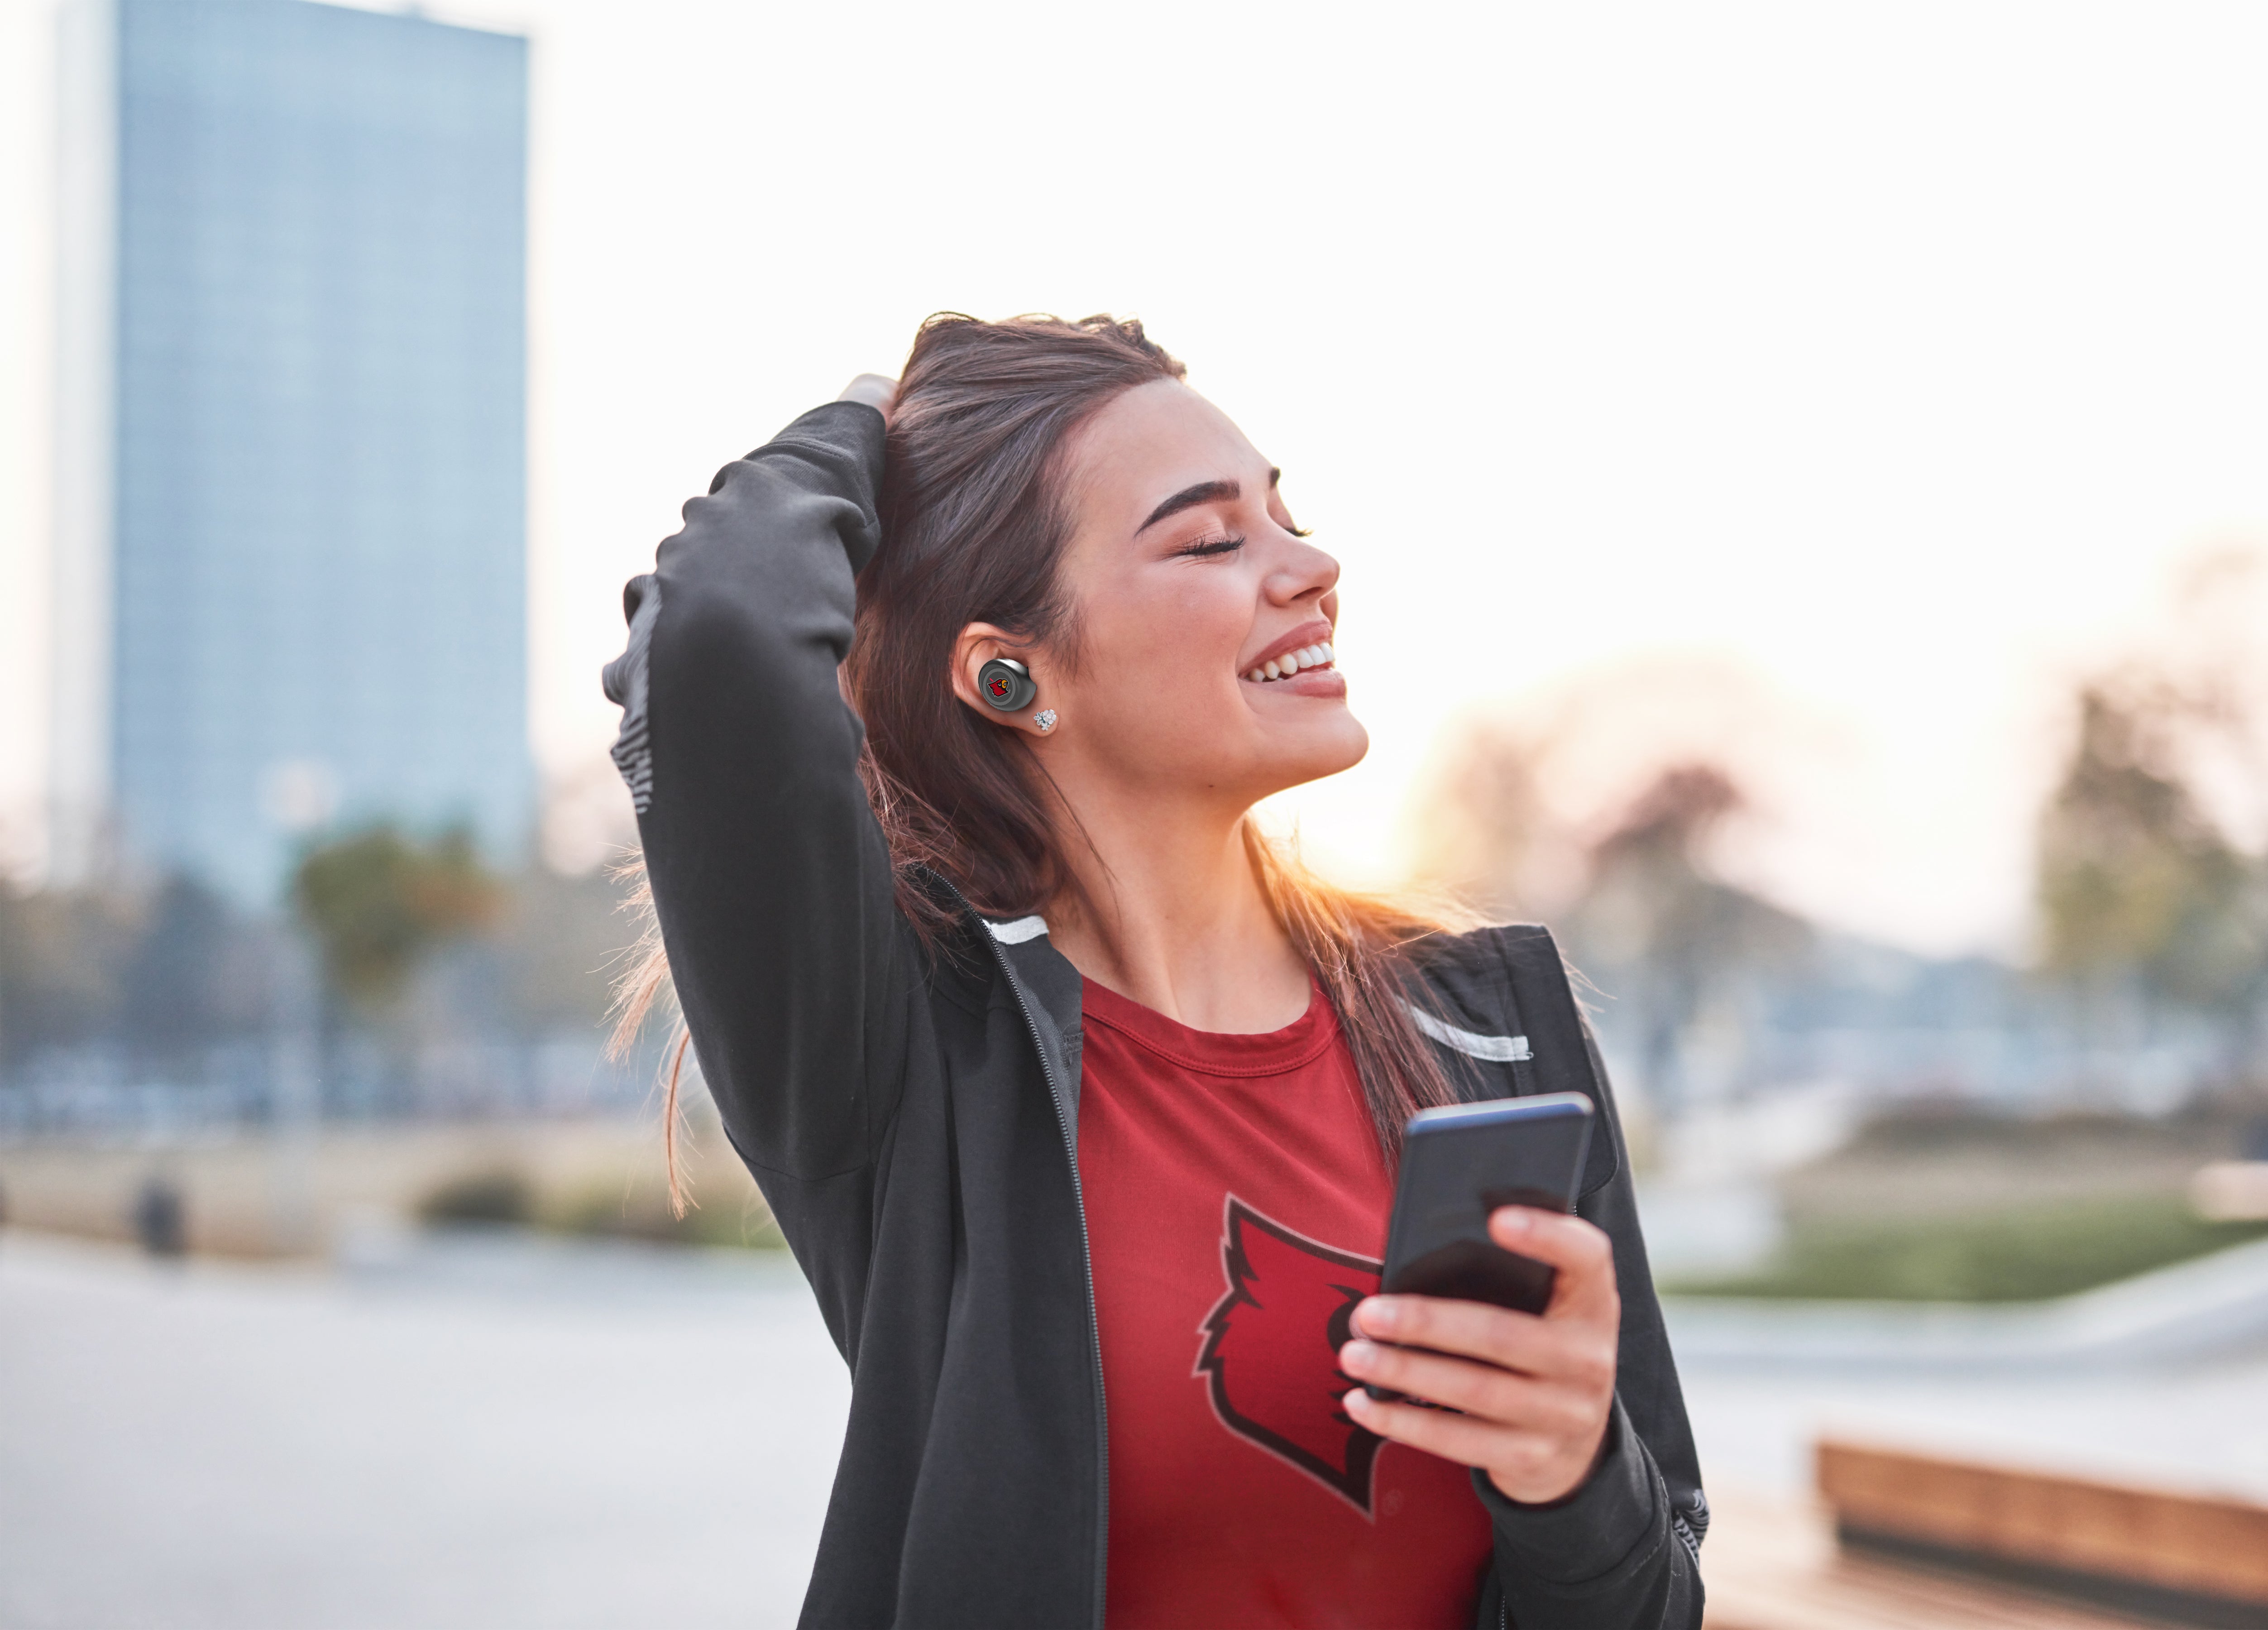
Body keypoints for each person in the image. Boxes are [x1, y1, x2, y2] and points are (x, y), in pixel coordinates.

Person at [606, 314, 1705, 1629]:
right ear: (1009, 673)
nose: (1312, 566)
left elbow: (1653, 1605)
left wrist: (1573, 1474)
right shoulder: (906, 1054)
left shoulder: (1485, 1026)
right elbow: (719, 631)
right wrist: (879, 410)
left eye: (1286, 513)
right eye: (1212, 538)